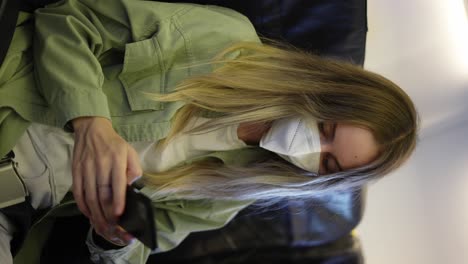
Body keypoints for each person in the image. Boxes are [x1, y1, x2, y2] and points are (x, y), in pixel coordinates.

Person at [0, 0, 419, 263]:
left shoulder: (227, 193)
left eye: (327, 162)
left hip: (19, 200)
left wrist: (115, 238)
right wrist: (92, 124)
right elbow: (66, 22)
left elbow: (141, 246)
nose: (311, 147)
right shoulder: (224, 42)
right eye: (325, 127)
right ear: (323, 88)